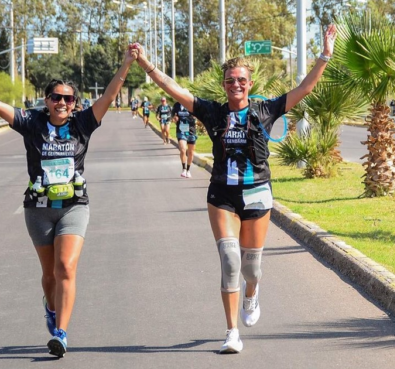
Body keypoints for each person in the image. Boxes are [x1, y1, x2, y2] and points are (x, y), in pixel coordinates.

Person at [131, 23, 337, 353]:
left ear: (249, 84)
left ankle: (251, 296)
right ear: (224, 85)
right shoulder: (212, 112)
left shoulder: (265, 110)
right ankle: (231, 332)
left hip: (257, 192)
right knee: (230, 260)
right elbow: (173, 89)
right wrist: (146, 64)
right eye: (230, 81)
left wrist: (325, 53)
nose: (236, 85)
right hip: (222, 195)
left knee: (251, 267)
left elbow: (306, 88)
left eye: (241, 80)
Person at [0, 47, 137, 358]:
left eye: (68, 98)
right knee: (49, 275)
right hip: (38, 210)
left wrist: (126, 63)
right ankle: (50, 306)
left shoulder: (82, 124)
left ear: (75, 104)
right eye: (56, 97)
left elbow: (110, 95)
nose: (62, 102)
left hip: (75, 206)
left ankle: (61, 333)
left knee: (66, 266)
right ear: (47, 100)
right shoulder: (31, 122)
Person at [172, 97, 197, 178]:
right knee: (183, 149)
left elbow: (198, 115)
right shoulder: (177, 105)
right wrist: (175, 118)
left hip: (191, 130)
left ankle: (188, 170)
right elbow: (173, 116)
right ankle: (184, 169)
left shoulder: (192, 105)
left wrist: (196, 118)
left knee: (190, 152)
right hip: (181, 130)